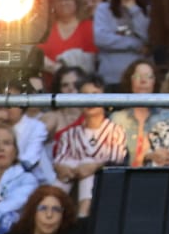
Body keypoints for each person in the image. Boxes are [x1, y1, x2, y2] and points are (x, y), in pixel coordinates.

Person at [52, 76, 128, 216]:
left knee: (89, 172)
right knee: (68, 167)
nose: (90, 100)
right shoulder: (69, 134)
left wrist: (94, 166)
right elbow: (60, 160)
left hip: (106, 189)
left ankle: (84, 216)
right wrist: (67, 169)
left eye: (95, 94)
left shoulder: (115, 131)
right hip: (71, 187)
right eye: (85, 95)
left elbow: (118, 158)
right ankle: (52, 212)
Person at [93, 0, 150, 86]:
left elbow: (146, 38)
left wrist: (133, 8)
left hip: (139, 81)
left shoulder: (147, 11)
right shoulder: (103, 9)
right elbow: (101, 38)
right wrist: (135, 44)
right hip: (110, 79)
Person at [108, 59, 169, 167]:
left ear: (154, 82)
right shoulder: (116, 119)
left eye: (148, 76)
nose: (143, 81)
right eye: (138, 76)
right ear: (130, 81)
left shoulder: (167, 117)